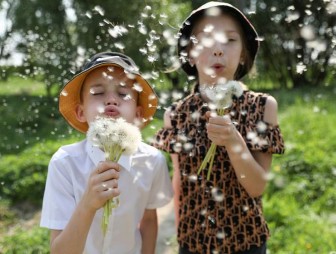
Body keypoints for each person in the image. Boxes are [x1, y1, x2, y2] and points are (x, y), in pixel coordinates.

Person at [152, 2, 285, 254]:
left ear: (244, 53)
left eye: (230, 40)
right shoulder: (176, 115)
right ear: (190, 53)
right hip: (193, 243)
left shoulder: (262, 107)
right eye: (207, 39)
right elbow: (180, 181)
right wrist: (181, 236)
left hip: (246, 241)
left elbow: (257, 187)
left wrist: (234, 142)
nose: (218, 50)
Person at [40, 52, 173, 254]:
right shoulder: (65, 164)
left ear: (137, 115)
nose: (111, 99)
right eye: (97, 93)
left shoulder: (152, 161)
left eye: (123, 94)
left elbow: (148, 220)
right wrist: (87, 205)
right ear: (80, 112)